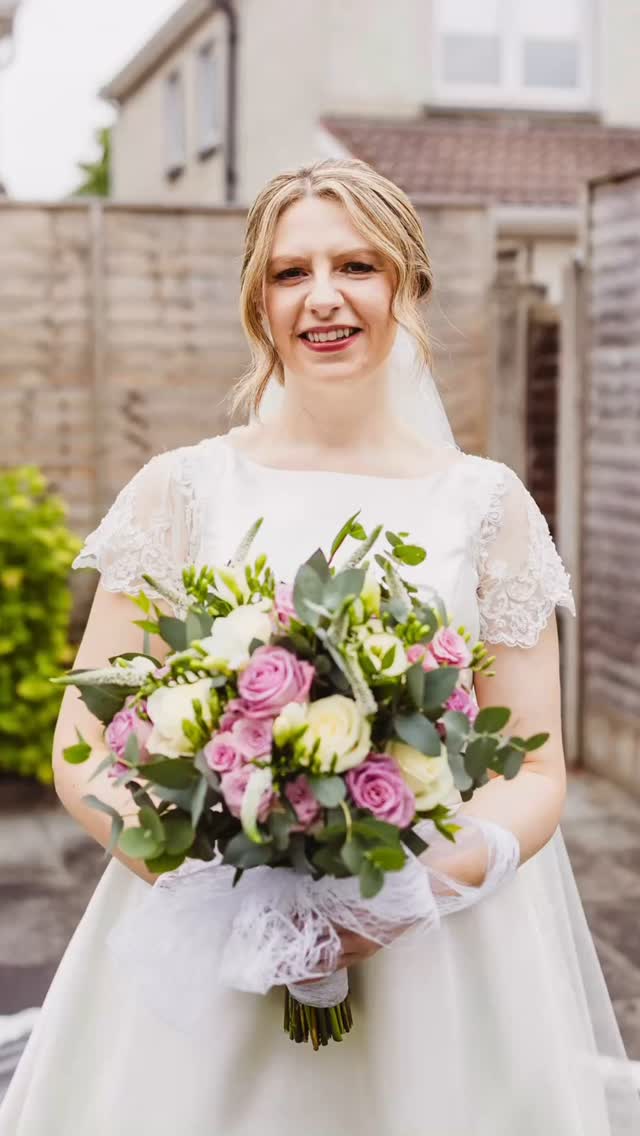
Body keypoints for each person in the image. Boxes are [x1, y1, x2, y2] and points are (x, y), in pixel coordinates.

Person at [1, 159, 638, 1135]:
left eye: (358, 265)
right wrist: (214, 885)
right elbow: (84, 747)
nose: (324, 297)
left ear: (407, 285)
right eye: (291, 271)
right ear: (258, 299)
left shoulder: (487, 505)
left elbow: (538, 768)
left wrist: (403, 892)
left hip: (436, 949)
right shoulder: (179, 491)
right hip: (207, 938)